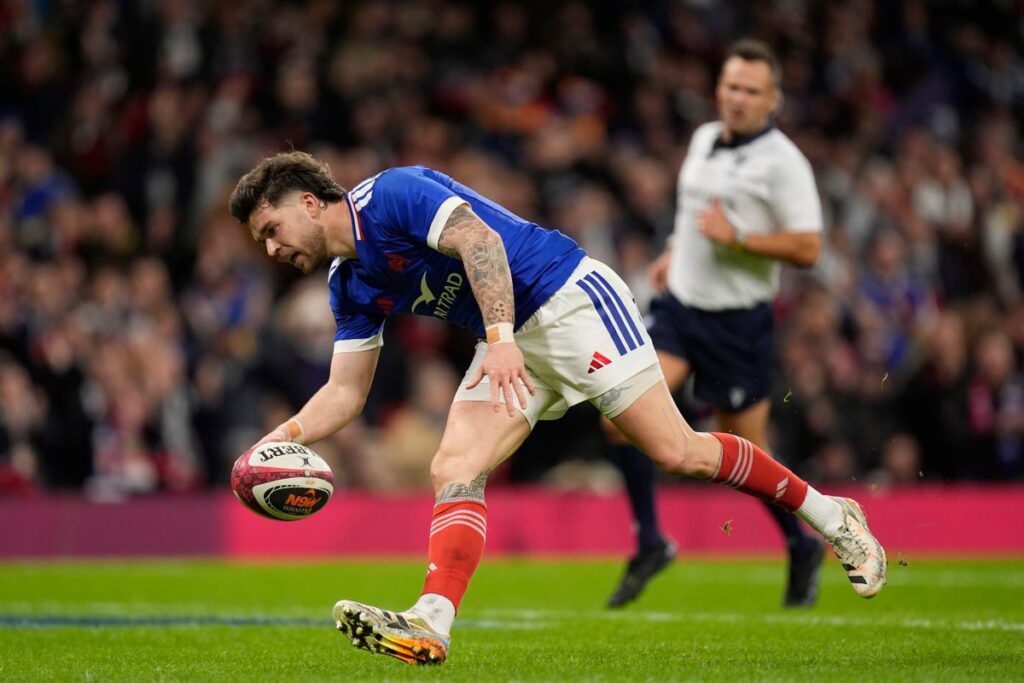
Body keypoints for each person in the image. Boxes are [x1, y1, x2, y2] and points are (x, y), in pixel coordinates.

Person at [229, 150, 886, 666]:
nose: (270, 248)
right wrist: (277, 439)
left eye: (270, 228)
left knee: (677, 450)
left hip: (568, 300)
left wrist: (499, 339)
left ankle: (831, 513)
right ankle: (433, 617)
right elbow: (346, 391)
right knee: (454, 461)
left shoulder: (392, 193)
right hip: (508, 336)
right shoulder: (349, 283)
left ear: (310, 202)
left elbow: (481, 242)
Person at [604, 39, 827, 609]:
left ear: (772, 99)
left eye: (752, 91)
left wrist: (742, 239)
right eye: (732, 86)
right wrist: (675, 250)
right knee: (618, 416)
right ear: (718, 89)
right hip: (680, 309)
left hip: (737, 324)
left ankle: (801, 545)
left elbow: (808, 247)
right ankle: (651, 541)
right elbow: (693, 213)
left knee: (747, 453)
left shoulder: (785, 163)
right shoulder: (704, 139)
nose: (738, 98)